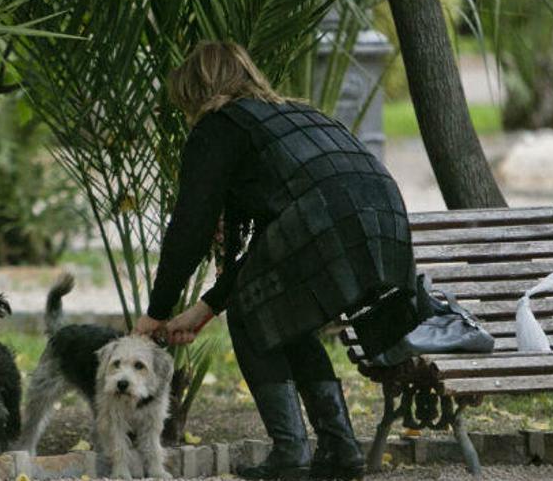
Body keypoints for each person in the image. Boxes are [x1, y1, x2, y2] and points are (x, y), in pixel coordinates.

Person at [134, 41, 417, 480]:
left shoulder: (219, 126)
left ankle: (290, 453)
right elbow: (270, 244)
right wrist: (203, 309)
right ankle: (341, 450)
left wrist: (156, 312)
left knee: (252, 316)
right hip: (385, 217)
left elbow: (189, 228)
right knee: (288, 317)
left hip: (328, 216)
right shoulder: (297, 115)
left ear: (194, 89)